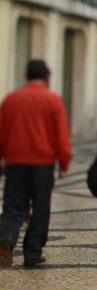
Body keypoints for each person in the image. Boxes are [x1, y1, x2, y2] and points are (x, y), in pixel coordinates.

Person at [0, 60, 72, 268]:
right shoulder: (52, 99)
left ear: (26, 76)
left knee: (13, 204)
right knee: (40, 208)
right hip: (43, 163)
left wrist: (3, 157)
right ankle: (32, 252)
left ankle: (5, 242)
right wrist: (64, 163)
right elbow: (61, 137)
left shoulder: (11, 99)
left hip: (15, 161)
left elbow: (2, 133)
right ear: (47, 76)